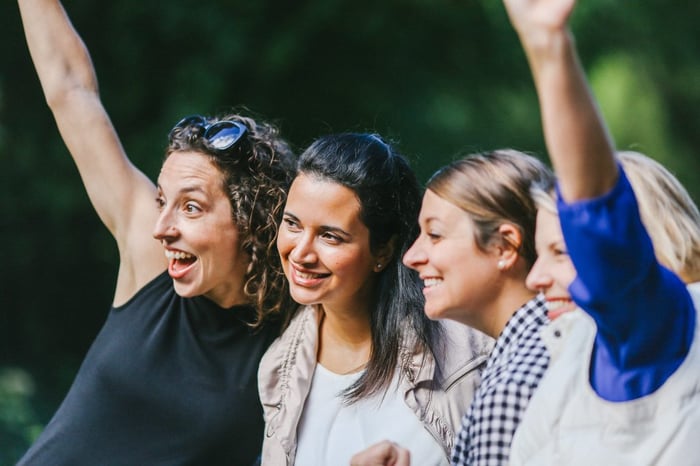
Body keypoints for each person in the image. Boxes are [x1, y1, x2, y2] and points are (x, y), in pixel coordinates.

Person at [17, 0, 295, 464]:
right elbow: (70, 89)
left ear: (253, 221)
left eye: (191, 207)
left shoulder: (297, 340)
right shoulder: (149, 266)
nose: (162, 228)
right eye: (161, 201)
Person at [502, 0, 700, 464]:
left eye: (562, 252)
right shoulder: (575, 347)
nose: (535, 278)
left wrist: (549, 51)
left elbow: (600, 222)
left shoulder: (649, 330)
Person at [257, 133, 494, 466]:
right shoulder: (279, 367)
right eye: (292, 224)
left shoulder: (466, 353)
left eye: (330, 236)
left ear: (382, 250)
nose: (301, 253)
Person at [350, 148, 555, 466]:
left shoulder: (512, 388)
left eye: (434, 234)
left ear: (505, 246)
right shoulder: (555, 346)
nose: (411, 257)